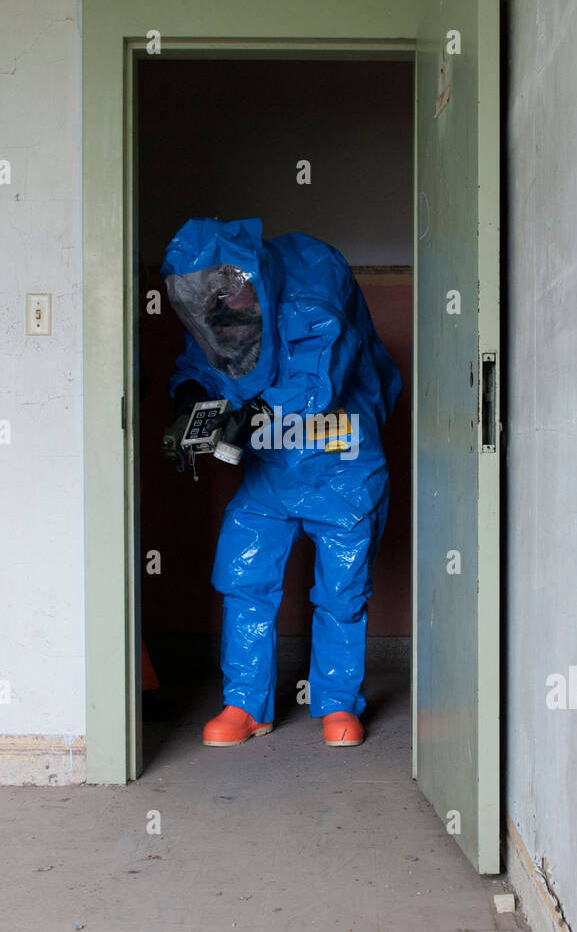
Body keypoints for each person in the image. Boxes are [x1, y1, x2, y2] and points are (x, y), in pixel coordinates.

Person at [161, 216, 401, 747]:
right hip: (270, 467)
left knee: (341, 590)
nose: (221, 308)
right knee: (243, 576)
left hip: (342, 461)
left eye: (229, 294)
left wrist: (255, 415)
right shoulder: (218, 309)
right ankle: (245, 705)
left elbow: (323, 374)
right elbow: (200, 364)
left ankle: (336, 704)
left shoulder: (311, 278)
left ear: (250, 276)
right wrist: (188, 402)